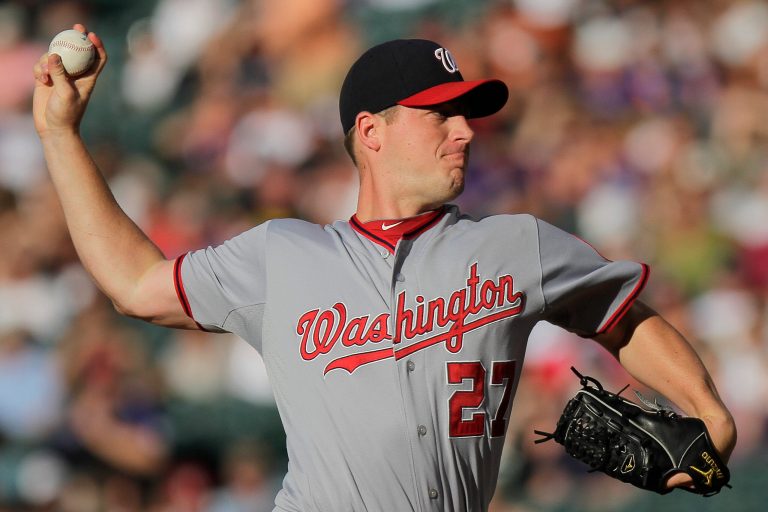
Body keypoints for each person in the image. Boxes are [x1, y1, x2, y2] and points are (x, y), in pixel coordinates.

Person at [33, 25, 736, 512]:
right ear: (372, 133)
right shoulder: (282, 256)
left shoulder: (517, 246)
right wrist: (59, 136)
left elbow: (622, 320)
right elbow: (133, 285)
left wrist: (709, 412)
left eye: (465, 115)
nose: (464, 130)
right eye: (439, 115)